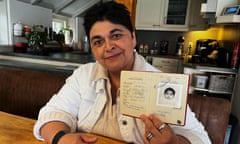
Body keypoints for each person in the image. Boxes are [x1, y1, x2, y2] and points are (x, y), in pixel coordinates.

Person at [33, 1, 211, 144]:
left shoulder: (162, 83)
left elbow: (200, 138)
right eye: (98, 41)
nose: (108, 46)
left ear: (133, 38)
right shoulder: (83, 75)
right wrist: (61, 138)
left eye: (116, 36)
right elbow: (53, 112)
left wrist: (173, 142)